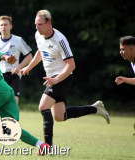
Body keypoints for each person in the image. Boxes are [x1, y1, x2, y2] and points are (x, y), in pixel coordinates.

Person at [20, 10, 110, 146]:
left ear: (49, 23)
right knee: (60, 116)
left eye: (40, 24)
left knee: (43, 106)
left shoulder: (60, 40)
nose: (37, 27)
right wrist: (28, 67)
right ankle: (95, 109)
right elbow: (40, 51)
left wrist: (57, 79)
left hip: (63, 77)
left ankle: (47, 146)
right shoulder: (38, 34)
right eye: (35, 24)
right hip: (52, 78)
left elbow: (71, 65)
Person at [0, 15, 33, 137]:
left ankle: (11, 129)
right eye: (1, 25)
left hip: (14, 76)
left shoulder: (18, 40)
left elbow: (29, 56)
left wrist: (19, 67)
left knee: (14, 101)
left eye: (6, 24)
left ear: (10, 26)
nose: (3, 27)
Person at [115, 35, 135, 135]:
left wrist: (125, 79)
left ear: (132, 49)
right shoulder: (132, 62)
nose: (120, 52)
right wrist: (124, 79)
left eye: (123, 49)